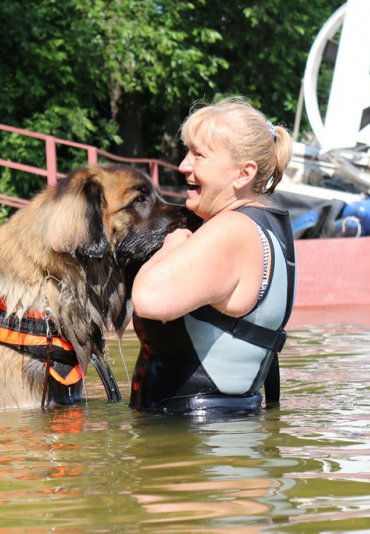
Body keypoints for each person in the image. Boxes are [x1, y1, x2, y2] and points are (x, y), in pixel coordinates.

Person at [130, 96, 296, 415]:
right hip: (225, 428)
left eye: (199, 155)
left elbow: (149, 300)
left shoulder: (233, 229)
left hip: (198, 435)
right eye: (187, 152)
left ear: (243, 174)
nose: (183, 165)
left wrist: (172, 245)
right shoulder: (267, 226)